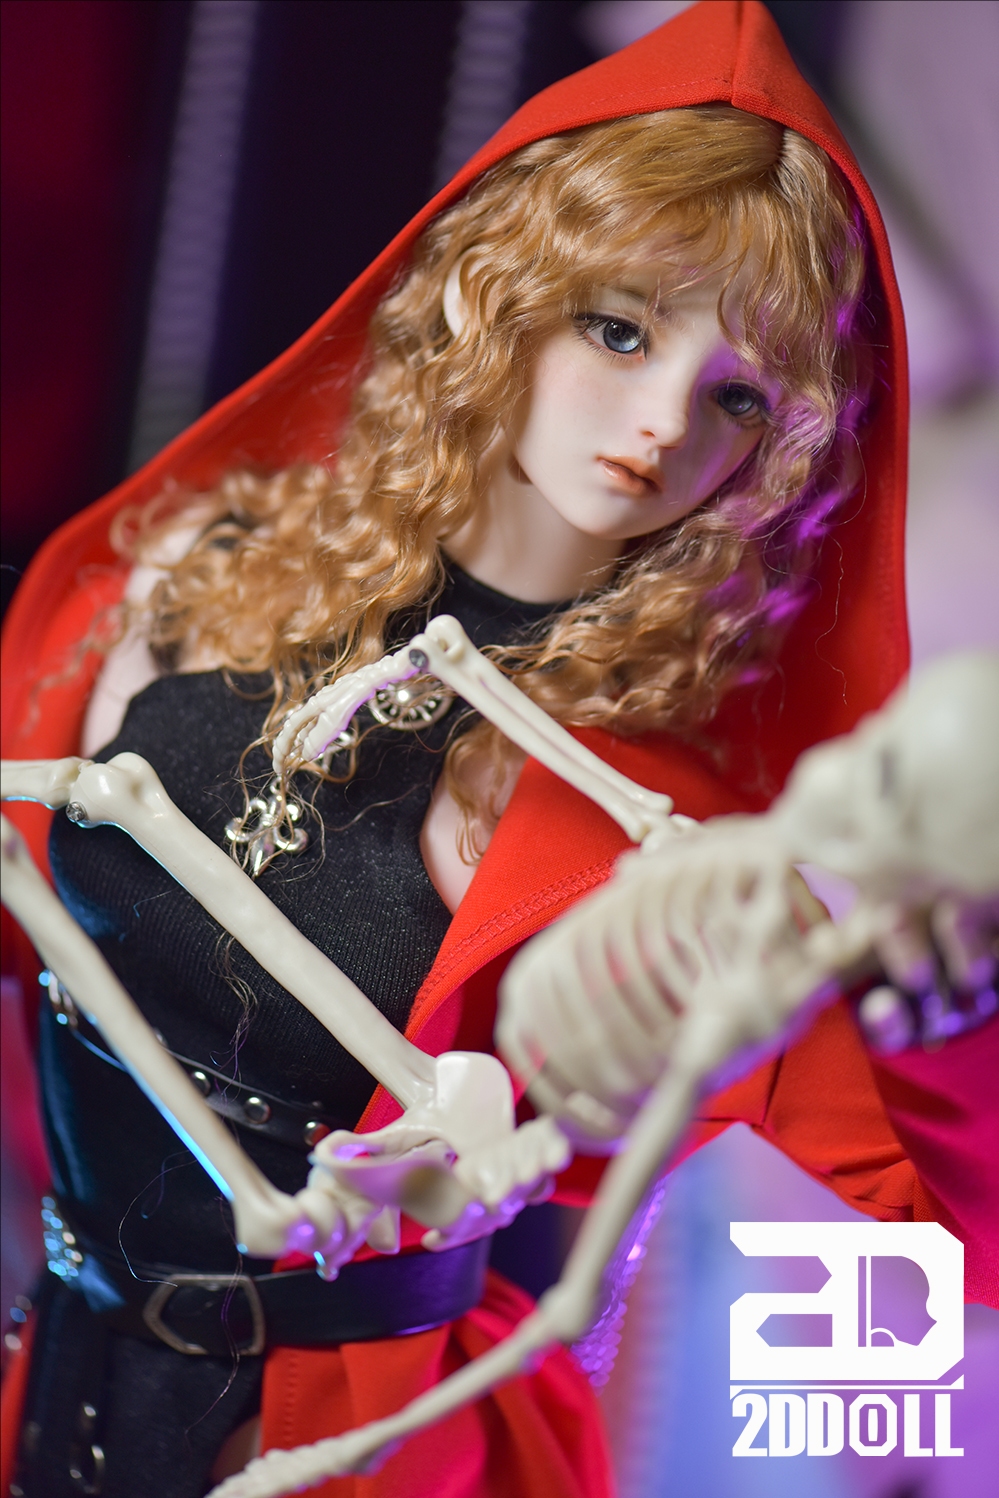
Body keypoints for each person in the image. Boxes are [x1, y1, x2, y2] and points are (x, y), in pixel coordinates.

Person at [3, 3, 991, 1495]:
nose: (658, 424)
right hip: (59, 1370)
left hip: (347, 1441)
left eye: (737, 395)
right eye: (620, 328)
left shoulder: (656, 830)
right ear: (502, 289)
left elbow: (949, 1194)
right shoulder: (196, 567)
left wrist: (948, 1008)